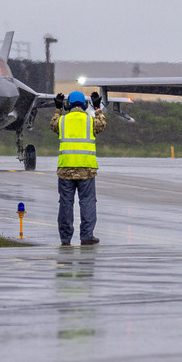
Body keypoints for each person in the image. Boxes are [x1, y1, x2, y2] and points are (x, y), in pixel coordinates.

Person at [52, 90, 106, 246]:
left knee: (65, 204)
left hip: (66, 169)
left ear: (68, 105)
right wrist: (97, 108)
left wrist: (57, 109)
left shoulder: (62, 121)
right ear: (84, 104)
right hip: (86, 169)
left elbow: (52, 124)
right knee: (87, 202)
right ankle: (87, 236)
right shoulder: (90, 121)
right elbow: (102, 123)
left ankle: (65, 238)